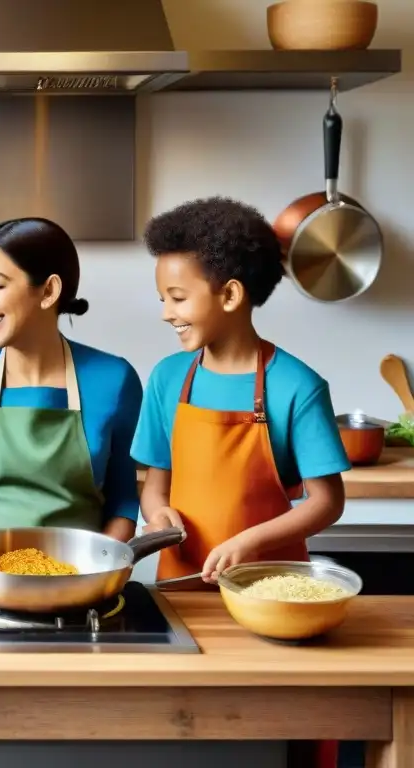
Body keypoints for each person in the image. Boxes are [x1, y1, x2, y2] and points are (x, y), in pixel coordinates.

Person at [131, 197, 349, 585]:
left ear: (230, 295)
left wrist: (251, 541)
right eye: (163, 299)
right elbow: (155, 486)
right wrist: (158, 515)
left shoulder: (298, 386)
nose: (166, 312)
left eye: (178, 298)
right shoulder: (166, 378)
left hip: (270, 583)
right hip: (183, 583)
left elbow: (327, 502)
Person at [0, 217, 144, 567]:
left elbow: (123, 502)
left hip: (78, 584)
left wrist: (89, 572)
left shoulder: (115, 380)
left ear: (49, 291)